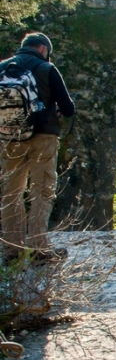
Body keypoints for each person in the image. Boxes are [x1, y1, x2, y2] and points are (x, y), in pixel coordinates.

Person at [0, 32, 76, 264]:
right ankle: (38, 250)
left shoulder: (3, 68)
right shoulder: (46, 68)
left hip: (10, 137)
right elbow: (68, 107)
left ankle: (12, 252)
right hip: (43, 136)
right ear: (43, 49)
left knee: (11, 193)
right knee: (41, 190)